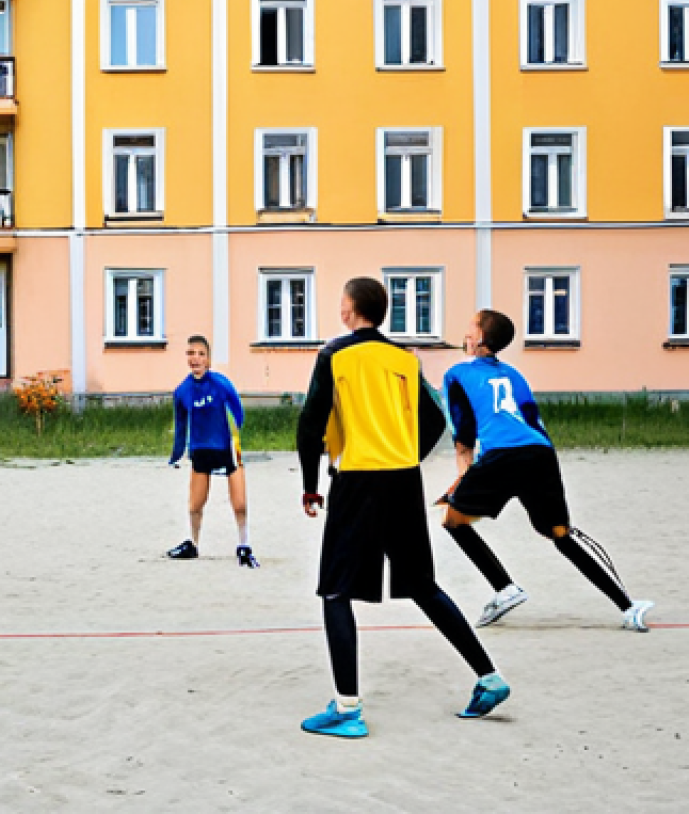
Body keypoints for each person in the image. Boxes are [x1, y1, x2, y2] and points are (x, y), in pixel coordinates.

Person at [297, 277, 509, 738]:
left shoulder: (334, 354)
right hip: (403, 481)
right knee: (423, 585)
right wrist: (405, 454)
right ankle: (489, 677)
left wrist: (310, 485)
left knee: (335, 591)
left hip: (358, 480)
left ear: (348, 310)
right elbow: (435, 419)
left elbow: (310, 424)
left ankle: (347, 709)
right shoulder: (405, 359)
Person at [439, 309, 653, 632]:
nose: (465, 333)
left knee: (453, 522)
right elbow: (530, 419)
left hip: (502, 456)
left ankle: (504, 588)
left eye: (471, 327)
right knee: (560, 534)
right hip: (541, 456)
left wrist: (463, 479)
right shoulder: (515, 374)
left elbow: (463, 438)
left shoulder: (456, 375)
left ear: (480, 338)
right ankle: (628, 606)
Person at [166, 335, 258, 568]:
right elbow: (180, 426)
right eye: (191, 353)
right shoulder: (182, 391)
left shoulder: (221, 384)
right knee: (195, 505)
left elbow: (238, 412)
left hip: (226, 448)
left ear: (208, 359)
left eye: (200, 354)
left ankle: (244, 544)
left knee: (240, 504)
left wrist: (235, 440)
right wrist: (176, 454)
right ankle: (193, 543)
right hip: (200, 449)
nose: (195, 358)